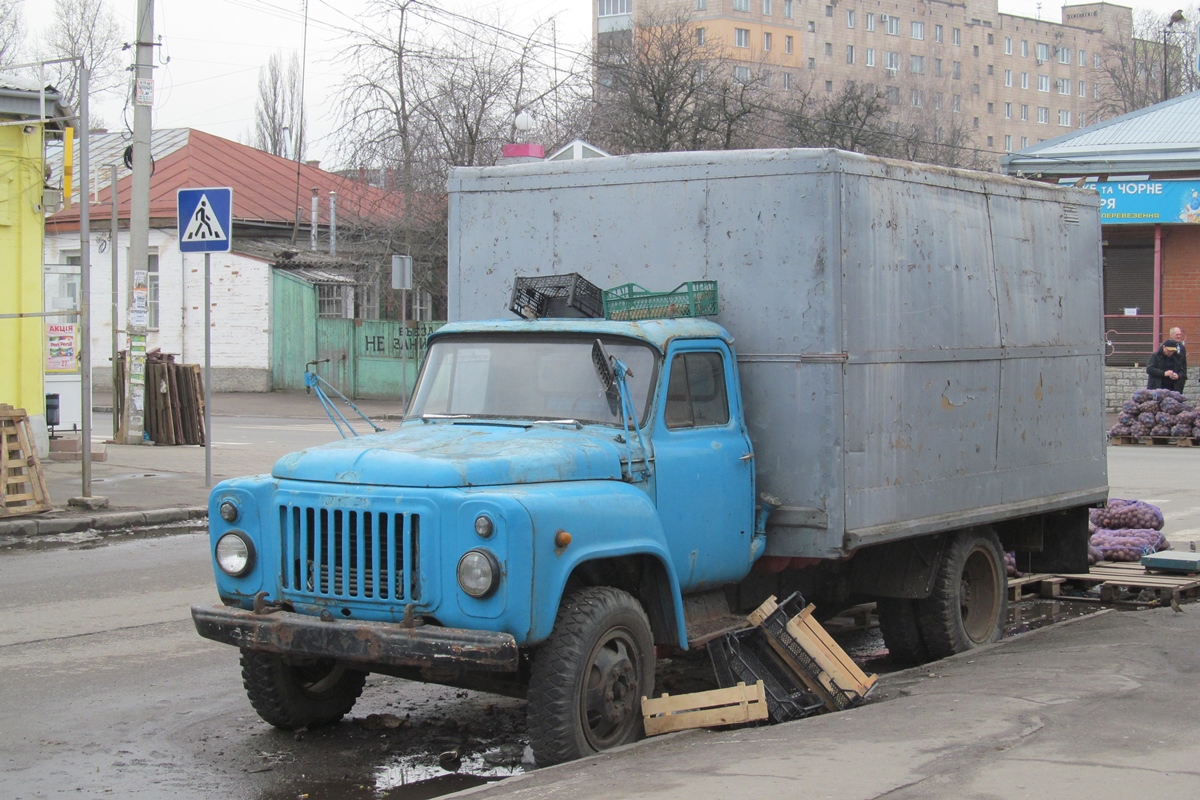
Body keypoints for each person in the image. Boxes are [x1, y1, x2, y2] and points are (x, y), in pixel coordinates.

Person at [1169, 327, 1187, 393]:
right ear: (1171, 335)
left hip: (1179, 379)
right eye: (1177, 335)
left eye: (1180, 335)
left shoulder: (1182, 347)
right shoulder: (1164, 346)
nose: (1179, 336)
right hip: (1168, 379)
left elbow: (1184, 363)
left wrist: (1183, 376)